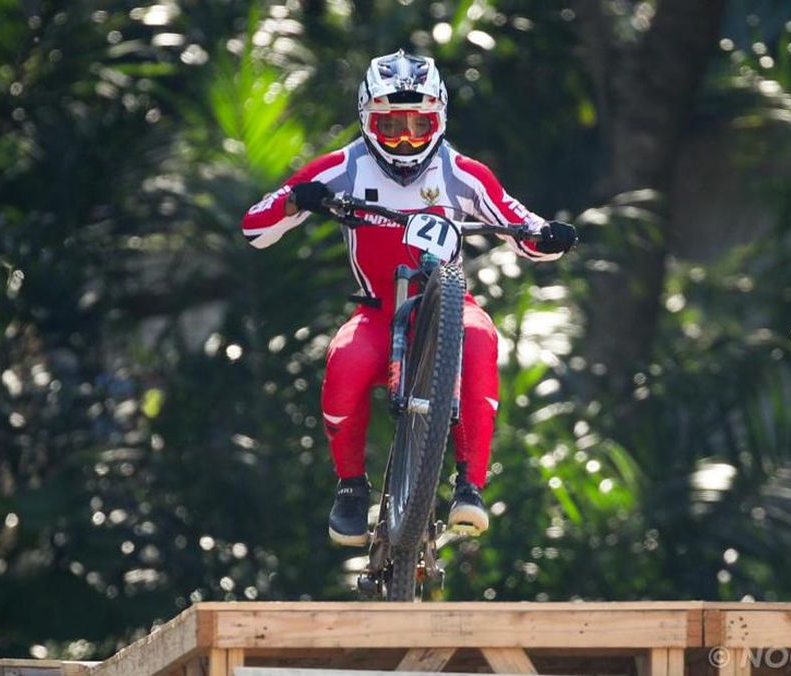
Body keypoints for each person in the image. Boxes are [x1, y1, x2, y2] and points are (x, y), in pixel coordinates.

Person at [241, 49, 577, 546]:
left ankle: (470, 487)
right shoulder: (342, 166)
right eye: (390, 126)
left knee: (480, 340)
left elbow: (519, 224)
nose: (404, 140)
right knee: (344, 363)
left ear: (440, 120)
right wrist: (295, 200)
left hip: (448, 307)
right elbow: (255, 228)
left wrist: (548, 234)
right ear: (366, 120)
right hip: (377, 312)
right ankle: (351, 488)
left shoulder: (463, 172)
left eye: (420, 126)